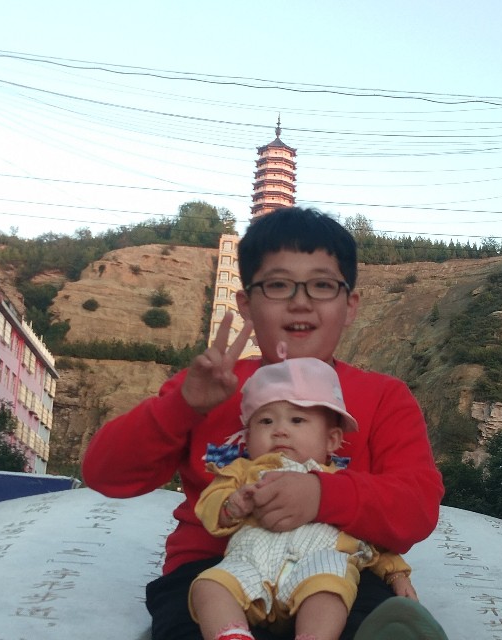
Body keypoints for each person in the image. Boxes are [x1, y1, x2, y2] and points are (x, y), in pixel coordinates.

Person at [81, 206, 448, 640]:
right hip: (212, 569)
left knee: (371, 621)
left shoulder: (384, 397)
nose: (300, 301)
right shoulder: (207, 387)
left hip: (336, 568)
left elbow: (416, 506)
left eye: (322, 285)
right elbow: (104, 473)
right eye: (277, 285)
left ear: (350, 306)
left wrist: (321, 495)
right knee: (191, 613)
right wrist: (181, 407)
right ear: (246, 305)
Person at [189, 356, 417, 640]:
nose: (280, 430)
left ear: (331, 440)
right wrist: (231, 506)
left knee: (330, 591)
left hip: (317, 566)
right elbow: (210, 504)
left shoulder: (342, 484)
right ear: (247, 438)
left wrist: (396, 574)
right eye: (266, 421)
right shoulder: (243, 472)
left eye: (297, 420)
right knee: (208, 586)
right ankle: (232, 635)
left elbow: (371, 540)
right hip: (250, 563)